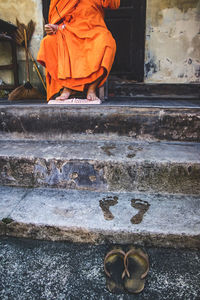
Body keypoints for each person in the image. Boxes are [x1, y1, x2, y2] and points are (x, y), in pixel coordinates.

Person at [37, 0, 120, 102]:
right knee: (48, 42)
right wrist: (55, 27)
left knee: (107, 41)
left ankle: (92, 88)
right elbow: (59, 17)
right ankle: (67, 88)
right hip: (68, 30)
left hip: (93, 30)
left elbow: (113, 4)